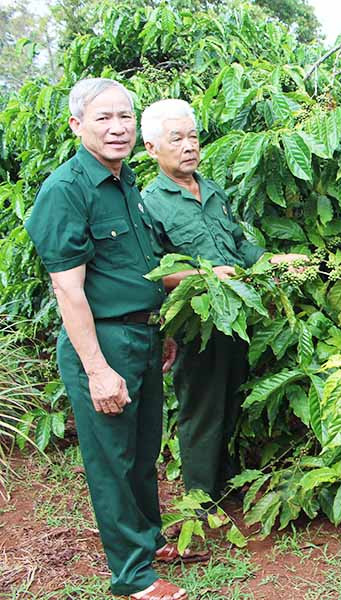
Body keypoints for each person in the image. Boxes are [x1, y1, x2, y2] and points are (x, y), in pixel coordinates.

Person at [25, 79, 189, 600]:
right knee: (112, 460)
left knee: (142, 452)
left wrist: (160, 329)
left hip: (142, 335)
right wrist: (97, 369)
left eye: (124, 117)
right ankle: (133, 575)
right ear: (77, 125)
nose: (117, 128)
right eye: (103, 118)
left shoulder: (125, 182)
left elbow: (139, 267)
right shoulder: (66, 190)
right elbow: (68, 290)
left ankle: (150, 541)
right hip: (102, 343)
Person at [140, 98, 306, 505]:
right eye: (176, 139)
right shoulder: (150, 202)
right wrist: (207, 276)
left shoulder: (212, 190)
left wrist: (272, 261)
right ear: (151, 148)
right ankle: (200, 499)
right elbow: (153, 272)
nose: (188, 146)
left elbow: (238, 245)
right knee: (202, 408)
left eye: (193, 137)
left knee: (232, 399)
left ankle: (225, 486)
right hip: (196, 324)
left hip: (237, 316)